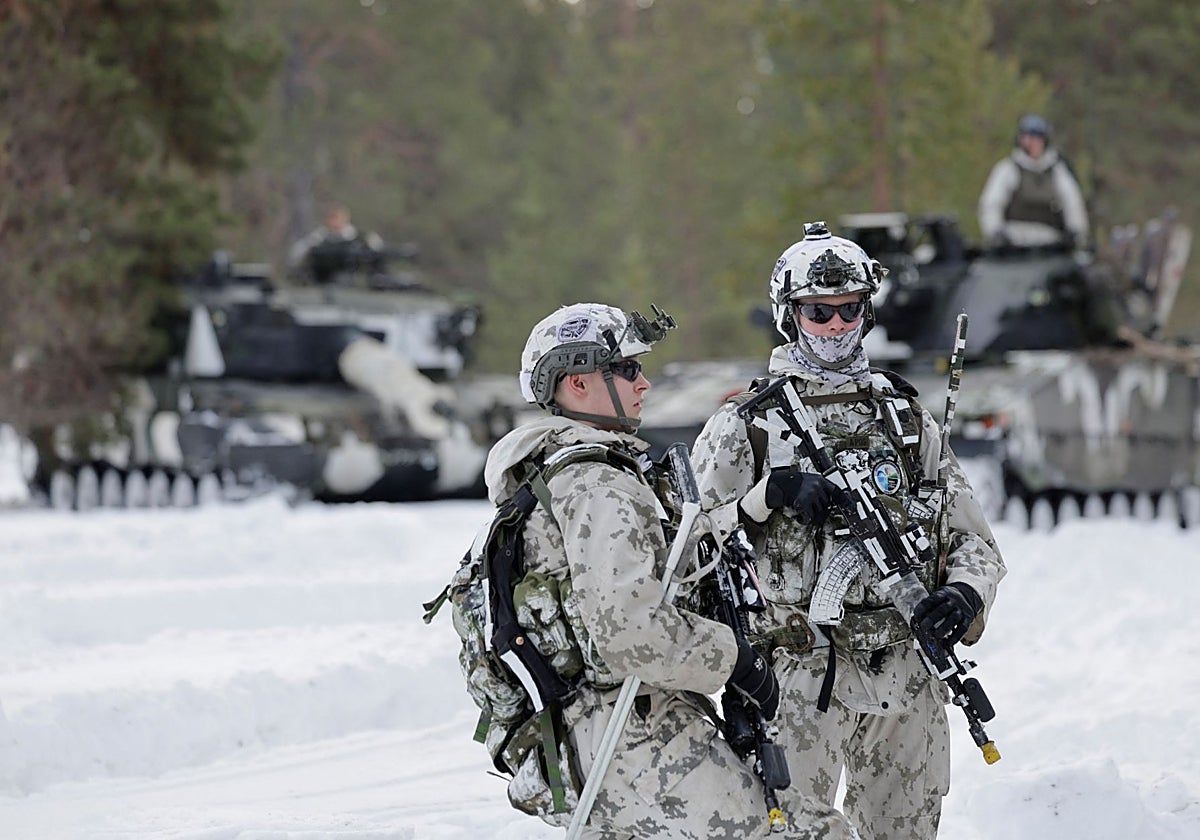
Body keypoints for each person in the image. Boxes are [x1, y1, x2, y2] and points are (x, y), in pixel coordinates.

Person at [487, 301, 857, 839]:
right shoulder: (598, 485)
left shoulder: (552, 475)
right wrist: (736, 661)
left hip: (578, 730)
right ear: (577, 383)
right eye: (626, 369)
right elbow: (630, 629)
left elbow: (669, 564)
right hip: (623, 730)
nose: (644, 383)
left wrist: (754, 504)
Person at [690, 223, 1006, 840]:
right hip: (799, 670)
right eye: (818, 312)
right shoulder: (748, 424)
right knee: (791, 830)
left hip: (906, 668)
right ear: (790, 315)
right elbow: (689, 545)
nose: (835, 326)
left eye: (849, 310)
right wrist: (764, 498)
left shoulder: (904, 417)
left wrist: (964, 594)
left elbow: (972, 538)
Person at [978, 113, 1089, 249]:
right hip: (1014, 241)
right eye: (1029, 138)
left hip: (1050, 242)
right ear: (1020, 140)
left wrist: (1076, 233)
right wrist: (995, 232)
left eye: (1038, 138)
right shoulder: (1008, 169)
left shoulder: (1057, 172)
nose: (1033, 143)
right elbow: (992, 204)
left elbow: (1073, 204)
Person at [287, 202, 385, 281]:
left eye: (336, 217)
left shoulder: (362, 237)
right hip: (323, 280)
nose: (334, 222)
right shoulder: (319, 237)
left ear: (345, 217)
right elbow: (296, 255)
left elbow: (380, 252)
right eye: (331, 218)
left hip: (354, 282)